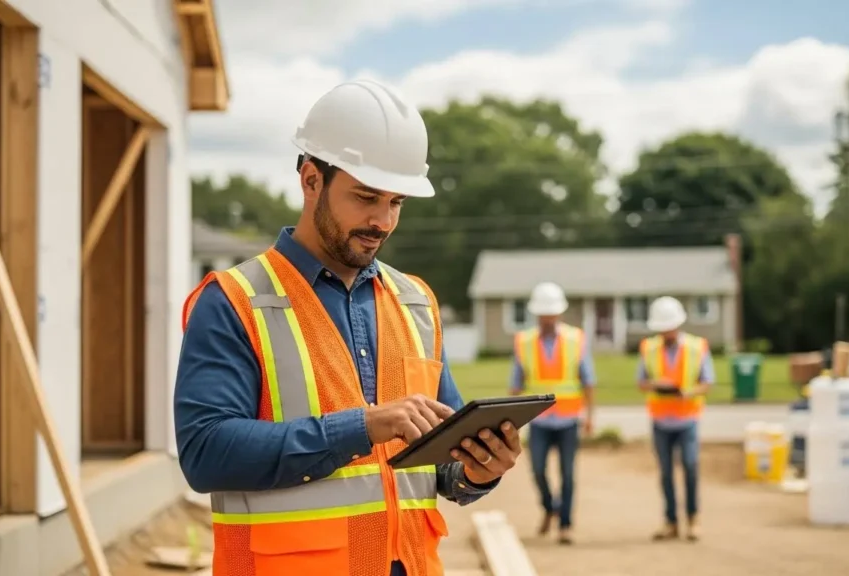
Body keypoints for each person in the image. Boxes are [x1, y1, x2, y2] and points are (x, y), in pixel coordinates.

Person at [174, 79, 523, 576]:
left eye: (396, 203)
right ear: (311, 179)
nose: (382, 220)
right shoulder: (235, 300)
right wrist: (362, 427)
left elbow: (438, 462)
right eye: (366, 197)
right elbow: (205, 453)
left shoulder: (415, 302)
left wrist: (475, 471)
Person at [510, 282, 595, 545]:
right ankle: (550, 508)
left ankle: (565, 525)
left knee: (568, 475)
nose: (547, 318)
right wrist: (509, 421)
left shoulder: (576, 339)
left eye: (551, 313)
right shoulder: (524, 342)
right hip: (540, 422)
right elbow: (516, 384)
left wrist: (590, 417)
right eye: (543, 314)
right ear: (537, 315)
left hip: (569, 420)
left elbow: (588, 381)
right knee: (537, 470)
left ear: (559, 313)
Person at [636, 296, 714, 542]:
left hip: (687, 419)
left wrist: (688, 392)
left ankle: (693, 518)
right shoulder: (648, 348)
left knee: (690, 467)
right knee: (666, 473)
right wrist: (656, 385)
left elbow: (707, 382)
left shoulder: (697, 347)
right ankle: (671, 522)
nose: (665, 332)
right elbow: (641, 382)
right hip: (661, 421)